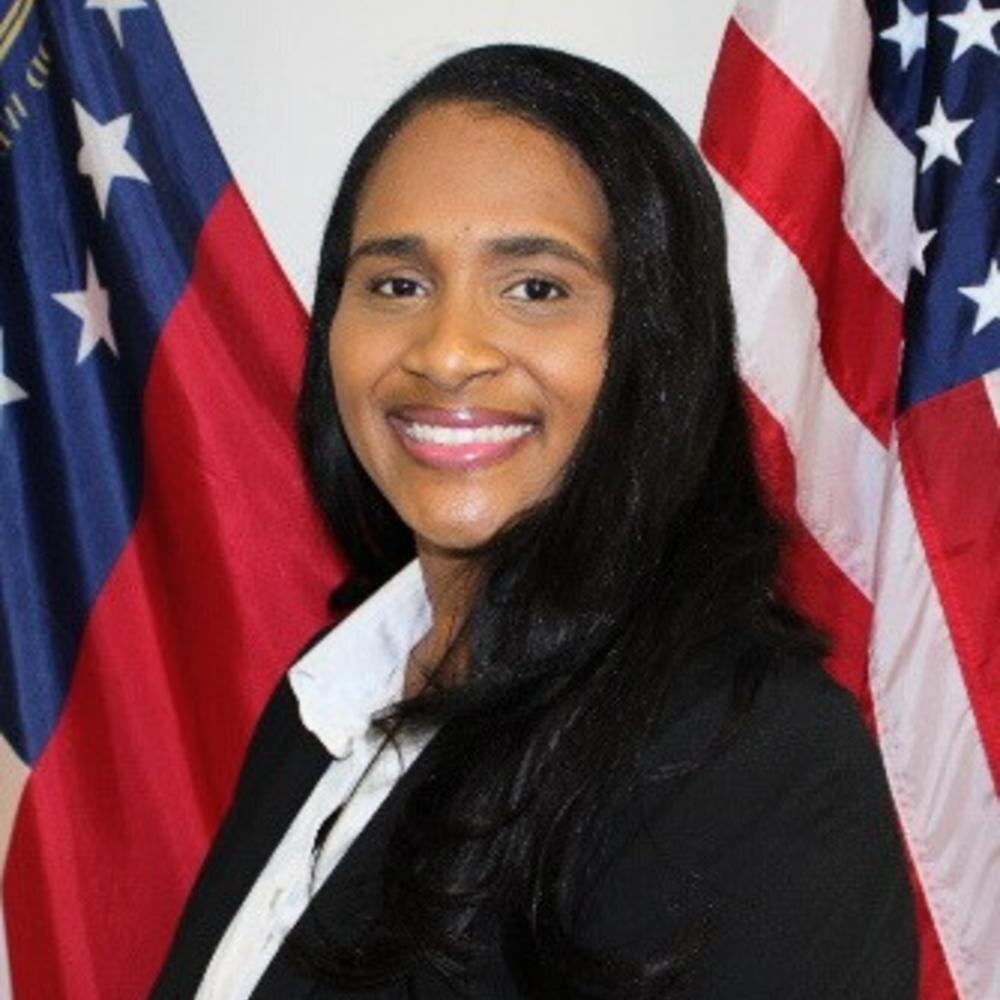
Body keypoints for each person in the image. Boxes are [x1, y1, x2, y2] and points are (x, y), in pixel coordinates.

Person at [153, 44, 918, 999]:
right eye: (396, 283)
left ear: (659, 343)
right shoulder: (325, 706)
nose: (448, 351)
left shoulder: (754, 759)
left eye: (536, 289)